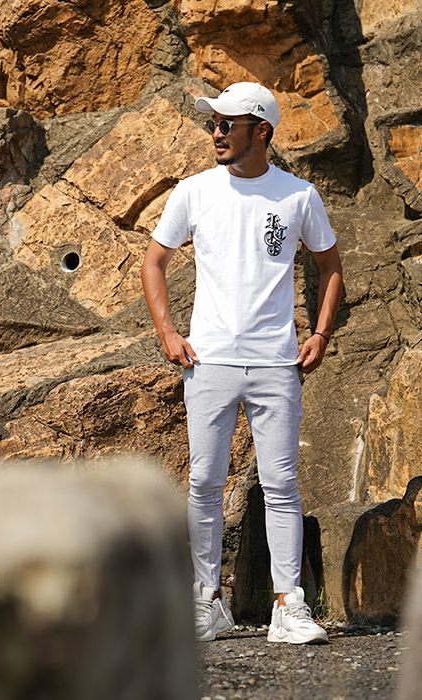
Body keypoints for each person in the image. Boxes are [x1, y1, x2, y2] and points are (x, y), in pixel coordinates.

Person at [141, 82, 343, 644]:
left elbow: (330, 266)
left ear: (263, 131)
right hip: (208, 361)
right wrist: (167, 332)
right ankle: (207, 600)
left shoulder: (298, 196)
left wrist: (321, 333)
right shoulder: (193, 191)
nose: (216, 133)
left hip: (276, 362)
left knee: (282, 483)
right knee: (204, 482)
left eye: (227, 124)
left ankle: (288, 604)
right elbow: (154, 262)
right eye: (214, 123)